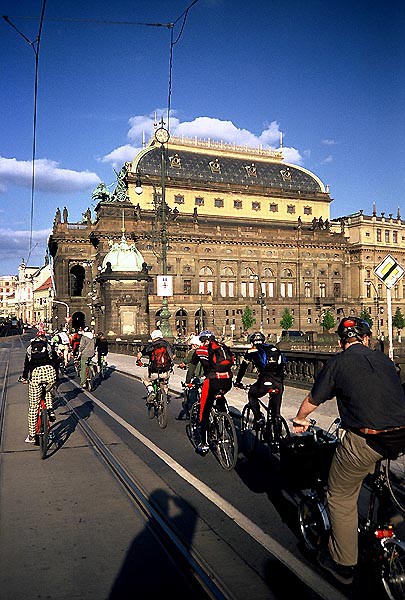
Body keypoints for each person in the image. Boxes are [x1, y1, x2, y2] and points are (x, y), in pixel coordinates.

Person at [292, 317, 405, 585]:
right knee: (381, 471)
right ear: (366, 339)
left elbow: (312, 400)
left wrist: (299, 419)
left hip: (368, 438)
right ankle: (390, 514)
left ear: (342, 342)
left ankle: (343, 564)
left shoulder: (338, 363)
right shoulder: (384, 360)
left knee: (340, 494)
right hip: (401, 435)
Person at [187, 330, 234, 455]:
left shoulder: (200, 351)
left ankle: (204, 443)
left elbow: (192, 366)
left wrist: (188, 382)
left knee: (204, 411)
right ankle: (225, 420)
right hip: (228, 381)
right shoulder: (223, 348)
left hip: (212, 381)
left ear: (203, 341)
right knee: (220, 398)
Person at [234, 331, 285, 427]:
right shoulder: (273, 348)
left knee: (252, 395)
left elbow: (243, 368)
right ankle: (278, 430)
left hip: (264, 381)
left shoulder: (251, 351)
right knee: (276, 412)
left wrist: (238, 382)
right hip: (279, 382)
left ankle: (259, 418)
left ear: (252, 342)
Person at [20, 331, 58, 443]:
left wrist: (24, 377)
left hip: (36, 375)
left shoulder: (29, 349)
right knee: (47, 390)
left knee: (33, 407)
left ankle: (32, 435)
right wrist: (55, 377)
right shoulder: (48, 346)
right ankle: (50, 409)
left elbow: (26, 365)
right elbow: (55, 360)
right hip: (50, 372)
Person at [137, 330, 174, 404]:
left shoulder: (150, 346)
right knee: (165, 382)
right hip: (166, 371)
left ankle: (151, 391)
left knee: (144, 378)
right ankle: (164, 397)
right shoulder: (167, 345)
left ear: (153, 337)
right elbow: (173, 356)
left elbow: (139, 354)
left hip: (154, 371)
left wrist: (139, 361)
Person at [177, 335, 204, 420]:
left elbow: (190, 365)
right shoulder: (207, 351)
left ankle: (194, 408)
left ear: (195, 345)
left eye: (192, 345)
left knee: (193, 391)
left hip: (198, 376)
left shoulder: (194, 352)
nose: (191, 347)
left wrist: (187, 382)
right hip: (208, 376)